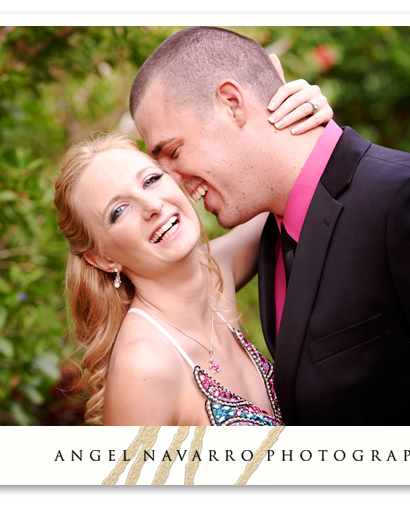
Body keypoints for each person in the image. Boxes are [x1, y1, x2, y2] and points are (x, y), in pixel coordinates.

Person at [129, 26, 410, 425]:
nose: (173, 184)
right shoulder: (273, 229)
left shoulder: (405, 200)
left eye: (173, 151)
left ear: (232, 103)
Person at [54, 81, 334, 425]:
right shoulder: (145, 365)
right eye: (119, 211)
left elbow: (279, 183)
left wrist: (301, 114)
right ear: (103, 258)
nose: (152, 205)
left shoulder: (215, 277)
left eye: (150, 180)